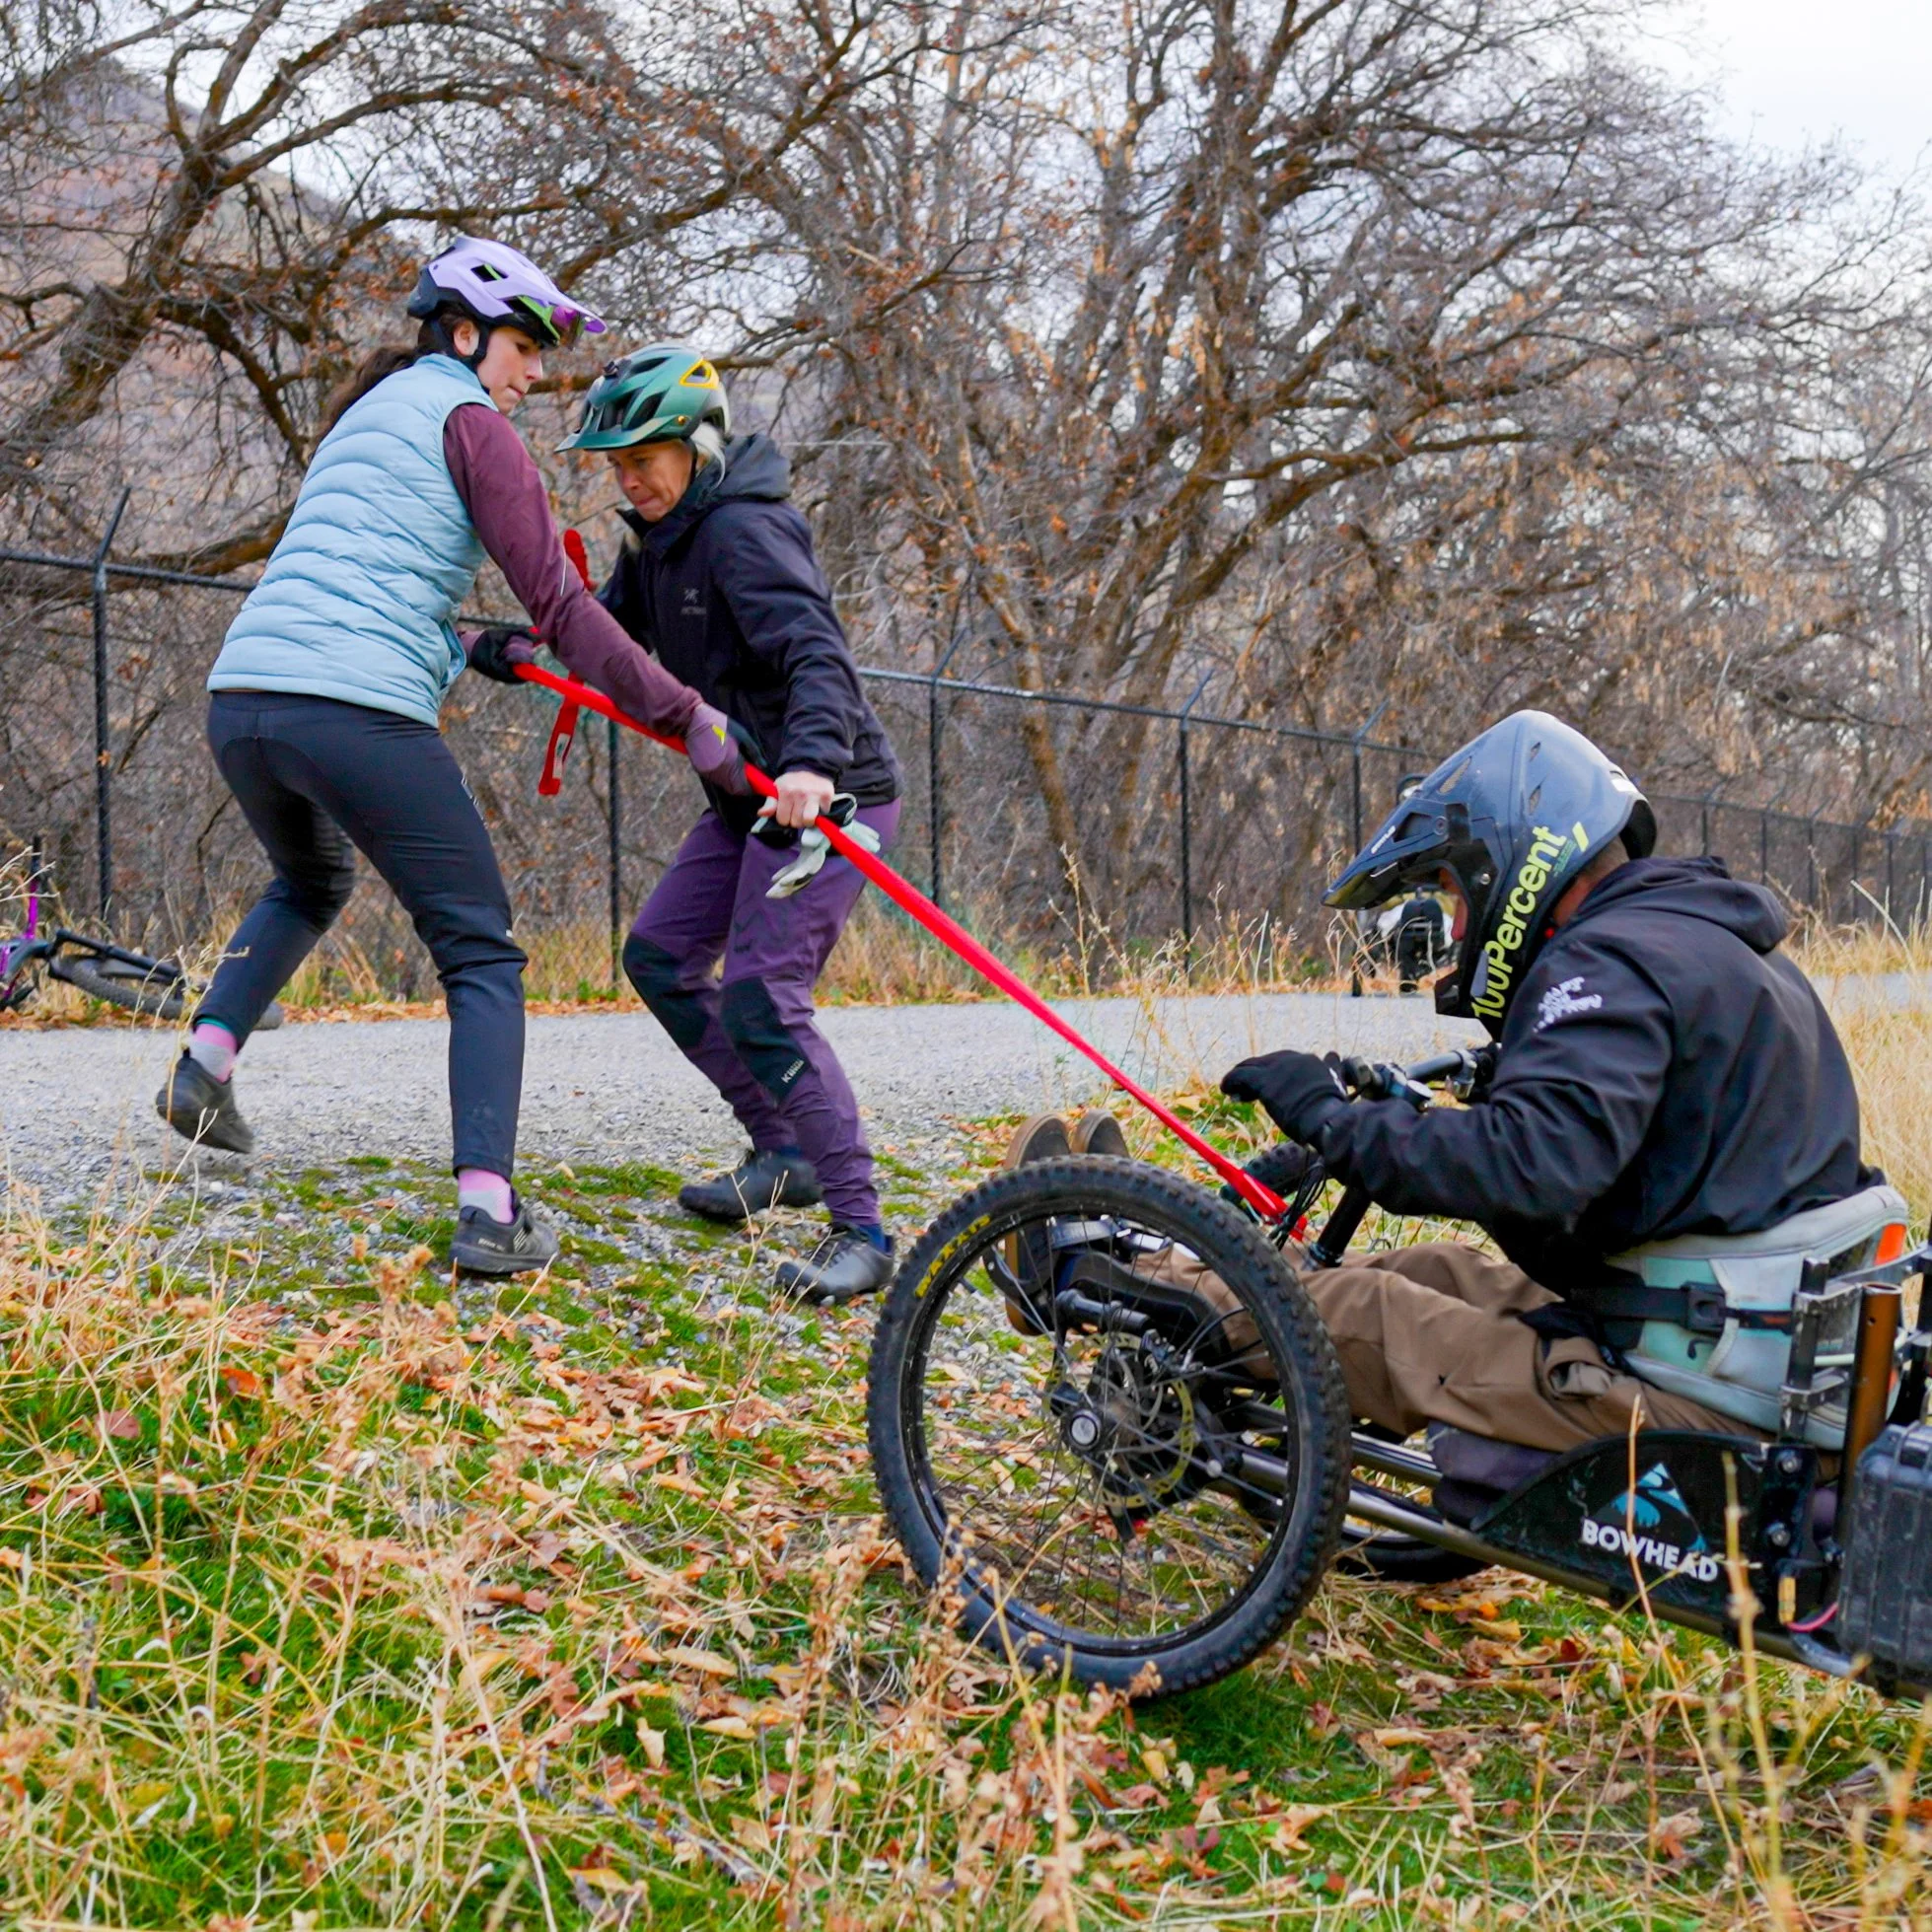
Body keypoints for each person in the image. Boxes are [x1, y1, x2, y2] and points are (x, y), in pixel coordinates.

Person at [1016, 710, 1896, 1454]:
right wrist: (1465, 1095)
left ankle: (1080, 1266)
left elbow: (1530, 1165)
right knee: (1433, 1268)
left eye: (1452, 896)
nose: (1457, 927)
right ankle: (1172, 1260)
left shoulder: (1605, 960)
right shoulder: (1711, 946)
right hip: (1733, 1348)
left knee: (1372, 1313)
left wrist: (1329, 1118)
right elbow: (1627, 1142)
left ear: (1508, 864)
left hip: (1693, 1392)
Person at [159, 241, 748, 1275]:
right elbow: (562, 608)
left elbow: (362, 579)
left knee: (310, 880)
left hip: (243, 699)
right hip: (352, 709)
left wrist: (471, 646)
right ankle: (489, 1211)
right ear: (466, 334)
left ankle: (205, 1062)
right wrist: (683, 709)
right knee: (481, 952)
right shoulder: (473, 426)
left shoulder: (364, 418)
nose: (534, 373)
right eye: (524, 348)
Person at [556, 343, 903, 1304]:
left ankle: (862, 1228)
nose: (629, 480)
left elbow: (817, 655)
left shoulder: (746, 530)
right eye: (617, 465)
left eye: (644, 459)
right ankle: (781, 1148)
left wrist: (811, 764)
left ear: (696, 446)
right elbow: (604, 639)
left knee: (761, 995)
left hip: (830, 797)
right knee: (661, 957)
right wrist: (513, 642)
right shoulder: (657, 542)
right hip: (750, 801)